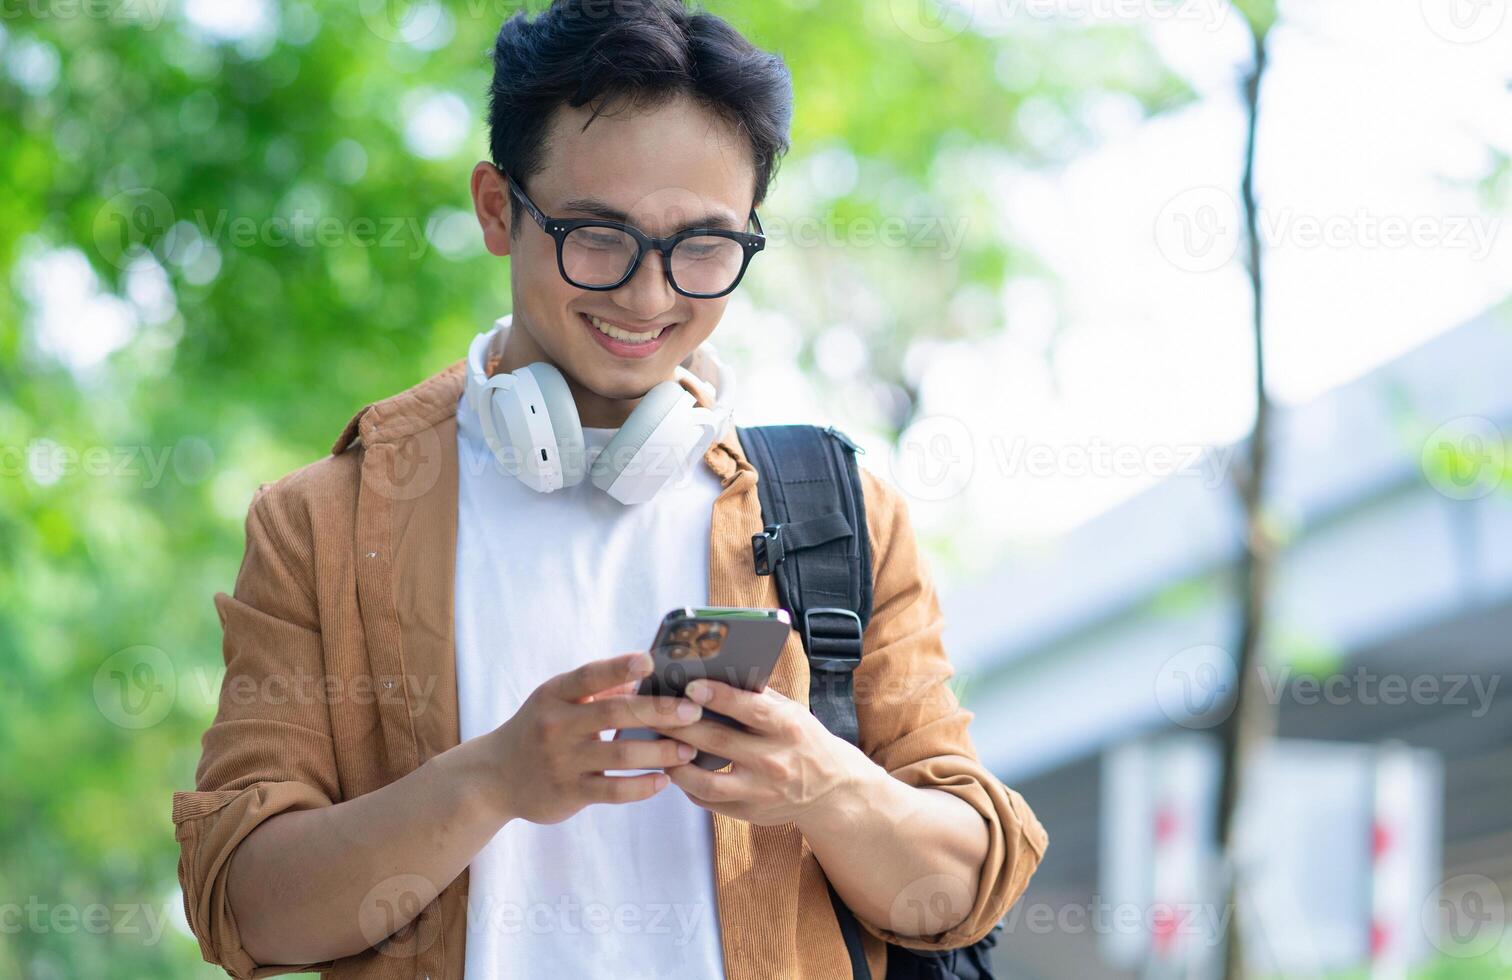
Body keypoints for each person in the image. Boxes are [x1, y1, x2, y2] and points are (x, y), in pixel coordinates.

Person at [172, 2, 1047, 978]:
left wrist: (822, 782)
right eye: (598, 235)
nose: (649, 295)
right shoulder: (323, 523)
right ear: (499, 209)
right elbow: (247, 908)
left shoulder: (839, 513)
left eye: (705, 247)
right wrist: (493, 778)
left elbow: (966, 888)